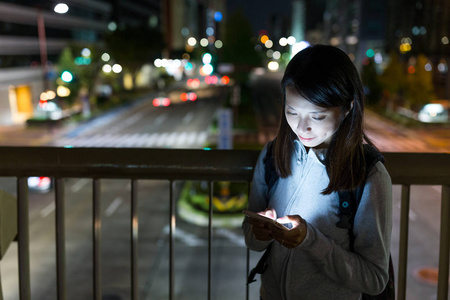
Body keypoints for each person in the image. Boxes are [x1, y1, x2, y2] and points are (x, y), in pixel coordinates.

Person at [242, 45, 392, 300]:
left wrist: (311, 241)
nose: (302, 127)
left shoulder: (368, 175)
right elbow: (251, 238)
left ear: (348, 108)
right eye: (292, 112)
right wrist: (260, 233)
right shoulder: (272, 155)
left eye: (318, 116)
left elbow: (375, 278)